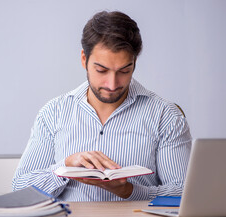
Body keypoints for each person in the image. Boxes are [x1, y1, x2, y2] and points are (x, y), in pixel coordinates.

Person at [12, 11, 191, 201]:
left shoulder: (166, 116)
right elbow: (20, 190)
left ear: (134, 63)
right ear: (84, 59)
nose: (112, 84)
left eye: (124, 70)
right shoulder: (53, 113)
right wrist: (64, 167)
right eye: (101, 70)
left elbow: (184, 193)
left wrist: (129, 191)